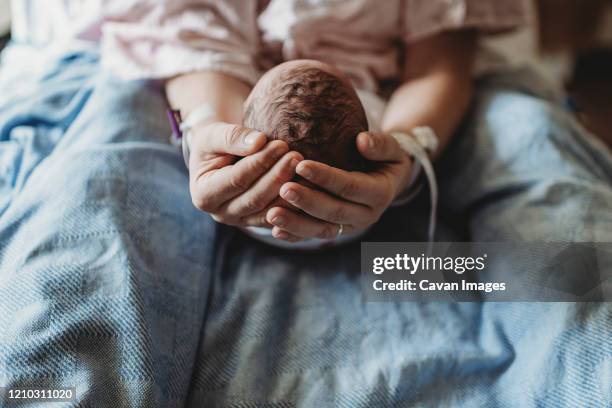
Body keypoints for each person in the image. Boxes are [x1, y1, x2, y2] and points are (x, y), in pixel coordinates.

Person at [1, 0, 611, 406]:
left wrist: (410, 150)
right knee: (103, 161)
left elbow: (442, 60)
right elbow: (191, 44)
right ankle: (51, 387)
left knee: (536, 163)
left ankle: (587, 364)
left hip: (411, 114)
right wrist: (210, 135)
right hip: (198, 97)